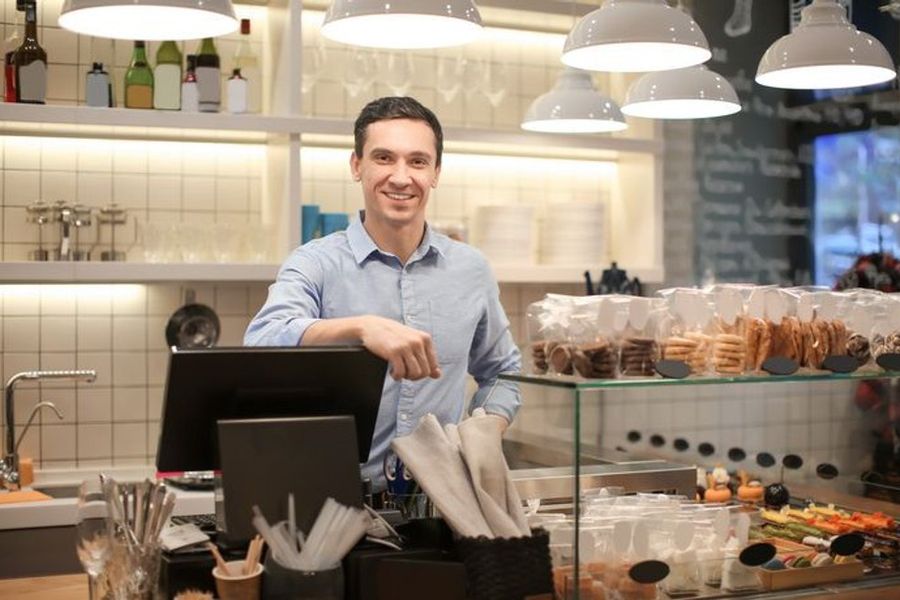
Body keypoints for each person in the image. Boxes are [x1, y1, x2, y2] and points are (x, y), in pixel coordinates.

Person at [244, 96, 521, 488]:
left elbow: (503, 371)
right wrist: (360, 328)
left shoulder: (471, 269)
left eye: (418, 161)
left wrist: (482, 432)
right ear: (357, 166)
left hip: (441, 501)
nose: (401, 177)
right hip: (333, 499)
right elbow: (261, 341)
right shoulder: (315, 262)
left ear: (436, 173)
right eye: (384, 158)